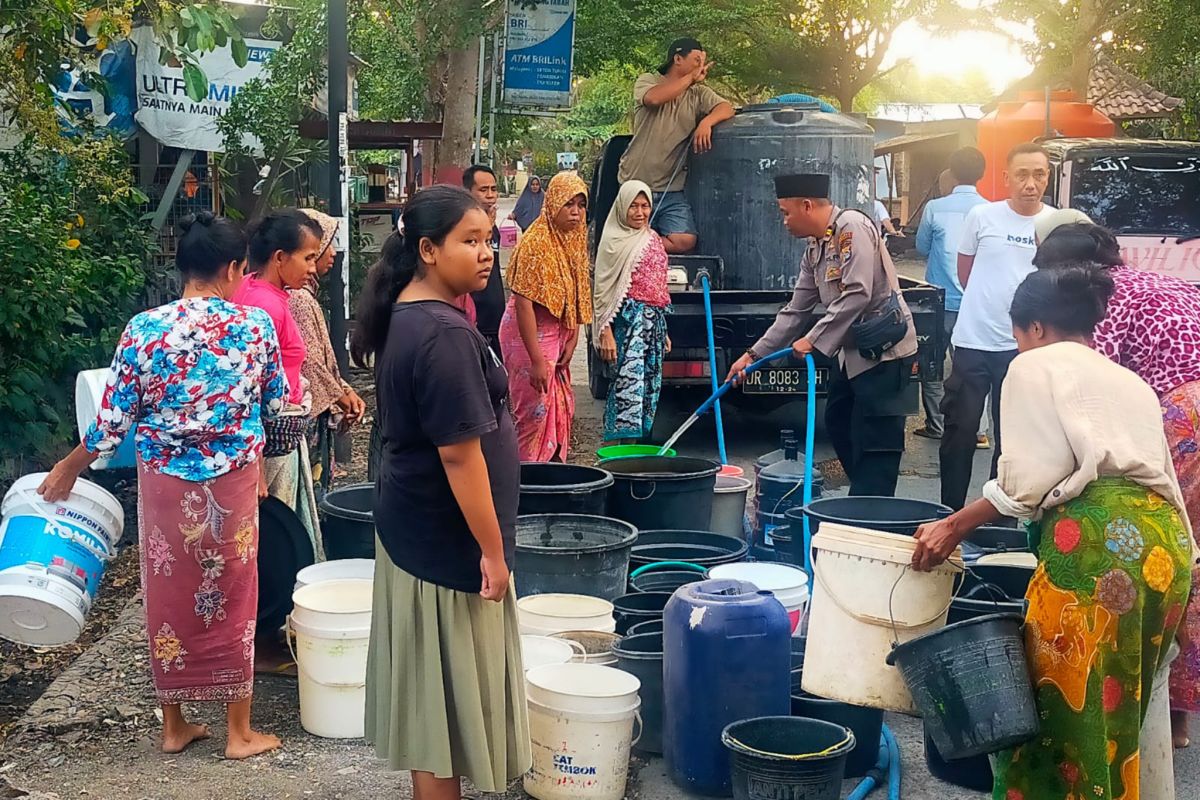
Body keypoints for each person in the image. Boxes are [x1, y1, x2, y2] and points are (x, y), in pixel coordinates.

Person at [911, 263, 1195, 800]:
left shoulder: (1035, 366)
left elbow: (1024, 484)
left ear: (1034, 328)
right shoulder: (1130, 381)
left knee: (1062, 714)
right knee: (1119, 710)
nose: (1018, 347)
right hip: (1166, 552)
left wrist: (952, 525)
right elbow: (1167, 489)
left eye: (1017, 336)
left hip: (1096, 550)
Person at [38, 212, 287, 759]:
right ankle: (238, 733)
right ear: (232, 268)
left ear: (183, 269)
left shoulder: (145, 329)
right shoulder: (255, 327)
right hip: (233, 481)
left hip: (165, 484)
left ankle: (174, 726)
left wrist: (70, 465)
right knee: (234, 594)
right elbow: (276, 406)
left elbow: (112, 423)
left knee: (169, 592)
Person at [351, 185, 528, 800]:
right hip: (443, 542)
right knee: (440, 707)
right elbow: (458, 454)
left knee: (436, 700)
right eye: (470, 241)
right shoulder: (441, 334)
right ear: (428, 249)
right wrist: (492, 550)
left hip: (418, 530)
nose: (487, 254)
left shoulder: (413, 311)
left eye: (489, 240)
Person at [1034, 220, 1200, 748]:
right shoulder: (1161, 283)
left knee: (1163, 551)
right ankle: (1182, 708)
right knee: (1193, 557)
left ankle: (1159, 710)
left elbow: (1085, 397)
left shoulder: (1098, 307)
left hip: (1183, 416)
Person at [728, 173, 918, 496]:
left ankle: (871, 511)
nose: (784, 221)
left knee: (875, 444)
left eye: (786, 213)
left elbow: (858, 292)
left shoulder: (851, 228)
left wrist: (814, 339)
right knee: (839, 421)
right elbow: (795, 311)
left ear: (806, 205)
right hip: (854, 356)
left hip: (886, 355)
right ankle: (864, 497)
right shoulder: (815, 248)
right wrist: (752, 356)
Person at [938, 142, 1055, 510]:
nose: (1030, 184)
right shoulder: (982, 216)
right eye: (1022, 175)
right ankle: (949, 512)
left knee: (1010, 441)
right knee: (960, 431)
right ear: (1006, 178)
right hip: (973, 341)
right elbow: (965, 273)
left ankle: (997, 520)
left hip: (1022, 351)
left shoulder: (1054, 224)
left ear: (1047, 177)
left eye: (1039, 174)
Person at [233, 209, 324, 557]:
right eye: (308, 258)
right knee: (273, 533)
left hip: (274, 431)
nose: (313, 268)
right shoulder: (265, 307)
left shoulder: (253, 291)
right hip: (269, 439)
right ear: (280, 257)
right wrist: (256, 461)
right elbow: (251, 385)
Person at [499, 171, 591, 462]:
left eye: (581, 204)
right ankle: (525, 484)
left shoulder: (574, 237)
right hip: (527, 338)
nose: (576, 212)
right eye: (568, 204)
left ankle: (552, 475)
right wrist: (537, 359)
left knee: (559, 407)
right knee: (532, 415)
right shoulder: (535, 244)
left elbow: (577, 287)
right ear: (552, 204)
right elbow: (524, 303)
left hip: (557, 334)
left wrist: (573, 333)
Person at [617, 37, 734, 254]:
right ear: (677, 59)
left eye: (702, 62)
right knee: (625, 237)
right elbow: (654, 99)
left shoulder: (699, 94)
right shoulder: (648, 80)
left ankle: (642, 244)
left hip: (671, 188)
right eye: (696, 60)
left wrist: (707, 122)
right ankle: (634, 246)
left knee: (684, 239)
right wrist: (690, 78)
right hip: (637, 182)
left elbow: (727, 108)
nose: (701, 67)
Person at [913, 146, 988, 442]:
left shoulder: (935, 208)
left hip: (938, 301)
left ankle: (937, 425)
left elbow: (921, 247)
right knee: (972, 365)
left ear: (952, 173)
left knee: (932, 363)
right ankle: (979, 431)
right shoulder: (989, 210)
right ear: (981, 174)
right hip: (973, 303)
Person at [291, 209, 366, 487]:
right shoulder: (298, 297)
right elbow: (308, 360)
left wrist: (342, 389)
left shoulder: (305, 292)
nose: (332, 252)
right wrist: (340, 395)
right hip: (307, 411)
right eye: (324, 247)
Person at [593, 180, 673, 443]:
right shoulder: (613, 241)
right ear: (622, 208)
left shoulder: (652, 238)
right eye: (633, 207)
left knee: (649, 387)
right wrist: (604, 331)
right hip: (628, 324)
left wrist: (664, 332)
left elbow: (658, 284)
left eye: (645, 206)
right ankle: (621, 450)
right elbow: (603, 289)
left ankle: (638, 448)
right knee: (628, 386)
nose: (640, 213)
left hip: (653, 325)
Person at [463, 164, 505, 359]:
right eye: (483, 190)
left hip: (496, 320)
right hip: (474, 322)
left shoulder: (493, 227)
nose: (490, 195)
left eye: (493, 189)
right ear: (468, 192)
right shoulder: (463, 231)